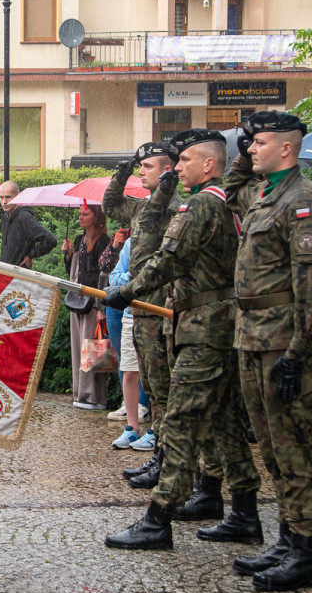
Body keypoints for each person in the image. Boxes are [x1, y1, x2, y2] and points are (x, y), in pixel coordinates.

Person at [103, 129, 262, 551]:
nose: (180, 167)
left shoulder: (201, 205)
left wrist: (129, 289)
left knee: (178, 421)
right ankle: (243, 511)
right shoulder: (227, 203)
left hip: (203, 328)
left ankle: (159, 518)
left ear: (209, 164)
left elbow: (169, 259)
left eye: (187, 159)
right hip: (220, 325)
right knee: (224, 420)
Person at [223, 111, 312, 592]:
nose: (250, 150)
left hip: (283, 344)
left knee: (294, 450)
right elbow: (232, 187)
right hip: (252, 336)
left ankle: (304, 551)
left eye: (260, 142)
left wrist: (299, 353)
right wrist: (250, 137)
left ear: (287, 149)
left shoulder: (304, 201)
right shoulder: (264, 194)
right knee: (271, 449)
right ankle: (287, 539)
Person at [103, 142, 180, 489]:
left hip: (161, 306)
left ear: (166, 171)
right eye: (140, 166)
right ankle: (158, 457)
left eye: (147, 166)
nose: (141, 172)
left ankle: (166, 459)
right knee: (150, 382)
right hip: (140, 307)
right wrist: (121, 174)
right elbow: (110, 205)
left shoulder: (176, 208)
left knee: (163, 390)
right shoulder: (143, 206)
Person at [107, 236, 155, 451]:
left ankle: (156, 430)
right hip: (130, 314)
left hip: (157, 314)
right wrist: (134, 277)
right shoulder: (131, 243)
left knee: (156, 374)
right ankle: (131, 428)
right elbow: (114, 278)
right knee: (129, 371)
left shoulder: (170, 238)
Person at [64, 203, 110, 410]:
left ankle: (94, 397)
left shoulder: (104, 242)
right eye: (80, 214)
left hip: (93, 302)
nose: (81, 217)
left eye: (86, 214)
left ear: (96, 216)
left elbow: (104, 275)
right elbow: (73, 272)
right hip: (77, 300)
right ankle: (80, 393)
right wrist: (69, 255)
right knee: (78, 348)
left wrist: (102, 306)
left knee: (92, 348)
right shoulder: (79, 240)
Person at [0, 181, 56, 269]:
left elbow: (50, 240)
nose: (4, 202)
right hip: (6, 271)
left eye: (8, 197)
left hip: (19, 274)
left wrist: (30, 255)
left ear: (18, 195)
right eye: (1, 198)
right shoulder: (6, 216)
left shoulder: (24, 217)